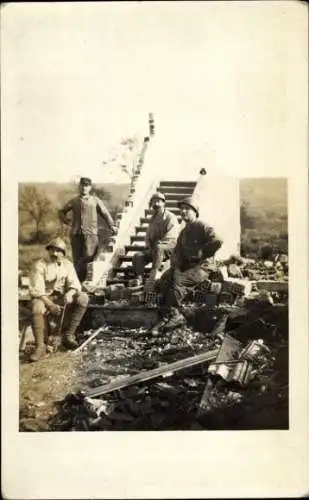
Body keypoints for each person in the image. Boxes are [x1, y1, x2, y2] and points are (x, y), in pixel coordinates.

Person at [153, 197, 222, 332]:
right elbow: (177, 253)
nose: (183, 211)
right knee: (164, 279)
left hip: (203, 267)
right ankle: (167, 315)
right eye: (181, 209)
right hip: (188, 267)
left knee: (179, 281)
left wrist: (202, 253)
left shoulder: (202, 226)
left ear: (195, 212)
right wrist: (176, 267)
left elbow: (218, 240)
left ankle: (177, 316)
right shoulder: (183, 232)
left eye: (187, 209)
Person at [28, 237, 89, 361]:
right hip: (45, 298)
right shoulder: (40, 265)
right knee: (37, 306)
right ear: (48, 251)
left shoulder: (67, 265)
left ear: (63, 253)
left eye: (58, 251)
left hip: (61, 297)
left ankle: (68, 336)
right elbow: (37, 291)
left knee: (83, 298)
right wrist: (50, 305)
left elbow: (75, 285)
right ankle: (40, 346)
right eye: (52, 250)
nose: (55, 254)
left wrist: (70, 293)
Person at [58, 177, 117, 282]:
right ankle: (77, 284)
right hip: (76, 235)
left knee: (90, 259)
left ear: (90, 187)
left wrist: (111, 225)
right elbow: (61, 211)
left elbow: (105, 213)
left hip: (91, 235)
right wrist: (66, 220)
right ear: (79, 187)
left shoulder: (95, 200)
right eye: (82, 185)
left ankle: (88, 283)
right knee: (77, 260)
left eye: (86, 186)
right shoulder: (74, 201)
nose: (84, 188)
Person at [132, 192, 180, 287]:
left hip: (170, 247)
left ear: (163, 203)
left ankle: (153, 276)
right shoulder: (153, 219)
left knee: (159, 248)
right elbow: (148, 236)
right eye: (154, 202)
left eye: (158, 201)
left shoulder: (171, 217)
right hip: (155, 249)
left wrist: (161, 243)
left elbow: (172, 235)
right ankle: (139, 278)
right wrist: (148, 246)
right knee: (138, 256)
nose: (156, 204)